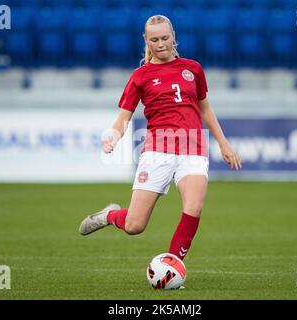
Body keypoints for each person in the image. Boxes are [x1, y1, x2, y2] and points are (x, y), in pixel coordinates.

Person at [79, 15, 242, 265]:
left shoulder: (193, 69)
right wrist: (112, 137)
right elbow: (124, 117)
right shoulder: (140, 76)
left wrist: (223, 143)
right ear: (146, 40)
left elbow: (205, 110)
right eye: (154, 39)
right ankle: (109, 215)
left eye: (165, 38)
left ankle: (172, 266)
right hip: (158, 149)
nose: (161, 43)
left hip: (193, 147)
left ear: (174, 36)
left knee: (194, 207)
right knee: (134, 225)